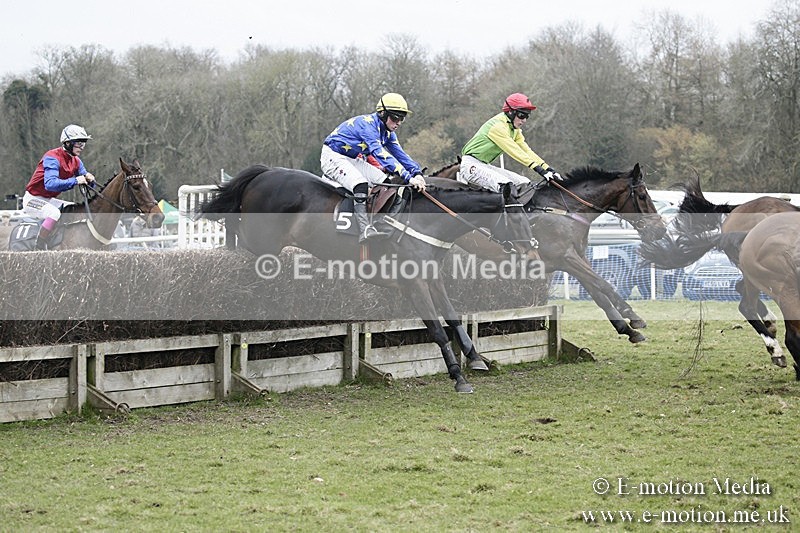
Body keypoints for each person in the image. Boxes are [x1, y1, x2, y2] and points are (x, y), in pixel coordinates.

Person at [321, 92, 426, 242]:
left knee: (388, 184)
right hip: (332, 156)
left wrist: (417, 173)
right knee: (360, 184)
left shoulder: (388, 133)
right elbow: (380, 154)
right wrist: (408, 177)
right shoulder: (368, 126)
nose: (398, 123)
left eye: (402, 119)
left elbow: (401, 155)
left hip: (351, 158)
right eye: (395, 118)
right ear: (382, 114)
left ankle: (383, 224)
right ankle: (365, 229)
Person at [459, 92, 564, 192]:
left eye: (527, 116)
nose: (524, 120)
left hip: (485, 165)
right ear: (510, 112)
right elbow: (515, 151)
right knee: (507, 186)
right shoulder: (498, 126)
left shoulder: (514, 130)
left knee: (525, 183)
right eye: (522, 115)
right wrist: (540, 171)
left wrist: (548, 169)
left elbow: (527, 151)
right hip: (470, 166)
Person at [23, 124, 96, 249]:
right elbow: (50, 185)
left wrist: (90, 180)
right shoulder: (52, 157)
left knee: (73, 208)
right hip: (32, 199)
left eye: (83, 143)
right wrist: (75, 180)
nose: (82, 147)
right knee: (54, 213)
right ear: (68, 143)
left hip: (48, 200)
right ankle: (39, 246)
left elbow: (85, 181)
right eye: (78, 143)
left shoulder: (76, 160)